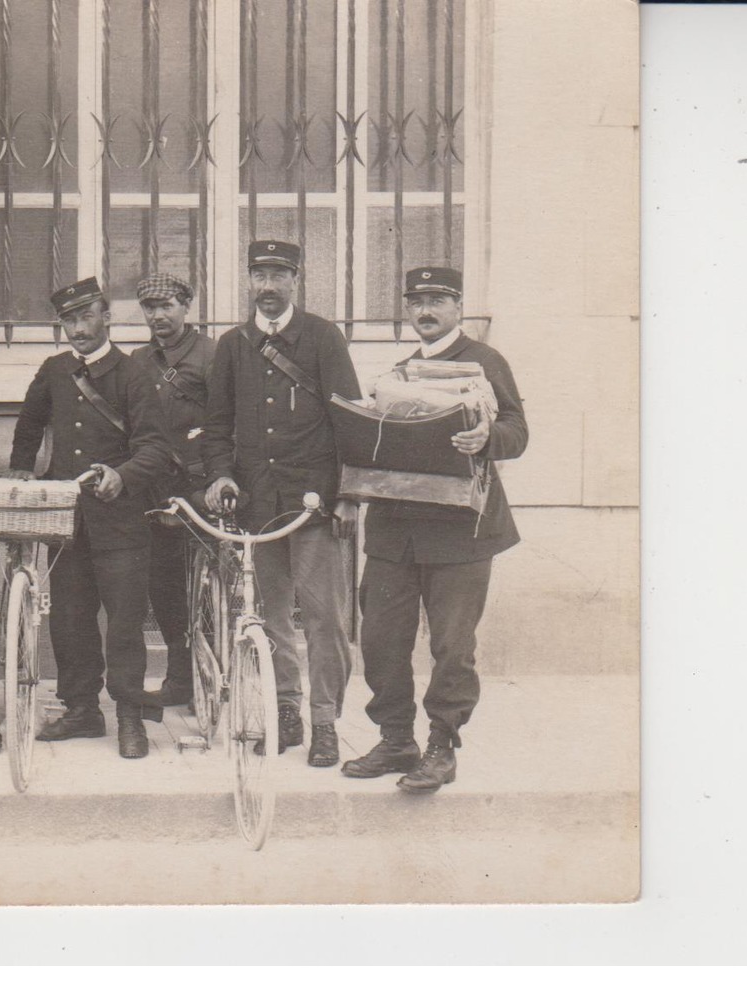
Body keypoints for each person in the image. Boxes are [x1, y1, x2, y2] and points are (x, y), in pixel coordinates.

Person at [340, 266, 528, 793]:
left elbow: (518, 430)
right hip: (395, 531)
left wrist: (489, 436)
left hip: (460, 532)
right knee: (380, 639)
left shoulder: (486, 362)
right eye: (416, 301)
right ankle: (397, 738)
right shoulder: (398, 372)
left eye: (437, 301)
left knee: (451, 644)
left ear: (458, 306)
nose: (425, 310)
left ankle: (442, 746)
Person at [200, 240, 362, 767]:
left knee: (324, 617)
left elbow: (350, 422)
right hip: (257, 503)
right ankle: (286, 709)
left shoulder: (321, 337)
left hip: (314, 502)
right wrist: (221, 475)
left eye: (278, 275)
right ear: (248, 281)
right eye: (258, 275)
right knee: (270, 617)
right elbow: (218, 425)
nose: (267, 287)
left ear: (296, 279)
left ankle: (325, 721)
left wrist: (347, 497)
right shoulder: (233, 344)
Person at [10, 277, 173, 759]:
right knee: (70, 618)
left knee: (123, 622)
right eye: (68, 320)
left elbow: (156, 448)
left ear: (107, 318)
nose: (78, 329)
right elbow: (28, 422)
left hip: (121, 521)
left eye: (86, 317)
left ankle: (128, 714)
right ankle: (82, 710)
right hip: (66, 520)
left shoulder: (134, 373)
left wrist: (122, 475)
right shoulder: (54, 370)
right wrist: (22, 471)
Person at [127, 273, 217, 709]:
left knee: (210, 585)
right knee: (163, 586)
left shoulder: (212, 355)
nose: (159, 315)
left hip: (201, 488)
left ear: (187, 306)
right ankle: (181, 678)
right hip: (155, 489)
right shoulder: (138, 360)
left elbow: (226, 421)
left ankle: (214, 677)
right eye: (150, 308)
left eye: (167, 305)